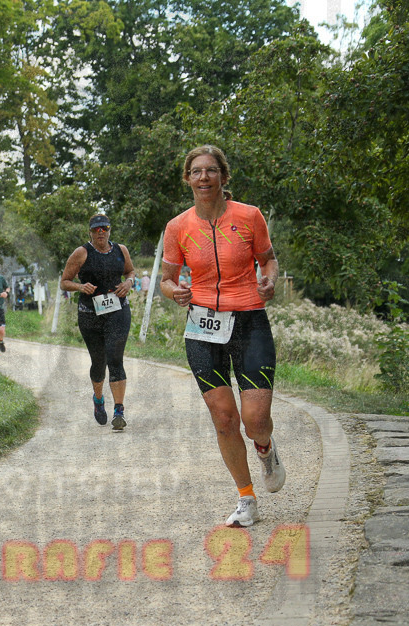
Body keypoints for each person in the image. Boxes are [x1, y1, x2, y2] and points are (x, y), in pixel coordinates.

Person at [159, 144, 285, 528]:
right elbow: (166, 279)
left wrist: (270, 281)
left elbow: (269, 259)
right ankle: (246, 498)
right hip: (202, 327)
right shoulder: (178, 226)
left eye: (211, 170)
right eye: (196, 171)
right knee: (225, 418)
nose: (203, 178)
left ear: (224, 177)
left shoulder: (249, 217)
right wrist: (174, 291)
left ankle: (265, 448)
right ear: (187, 179)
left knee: (255, 418)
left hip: (248, 320)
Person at [60, 214, 136, 430]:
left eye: (104, 228)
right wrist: (80, 287)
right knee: (99, 361)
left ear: (110, 230)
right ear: (90, 233)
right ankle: (99, 398)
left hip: (118, 310)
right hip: (90, 314)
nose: (100, 232)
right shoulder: (82, 253)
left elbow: (130, 271)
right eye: (96, 230)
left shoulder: (121, 250)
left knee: (115, 358)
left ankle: (119, 410)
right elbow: (64, 282)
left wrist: (129, 282)